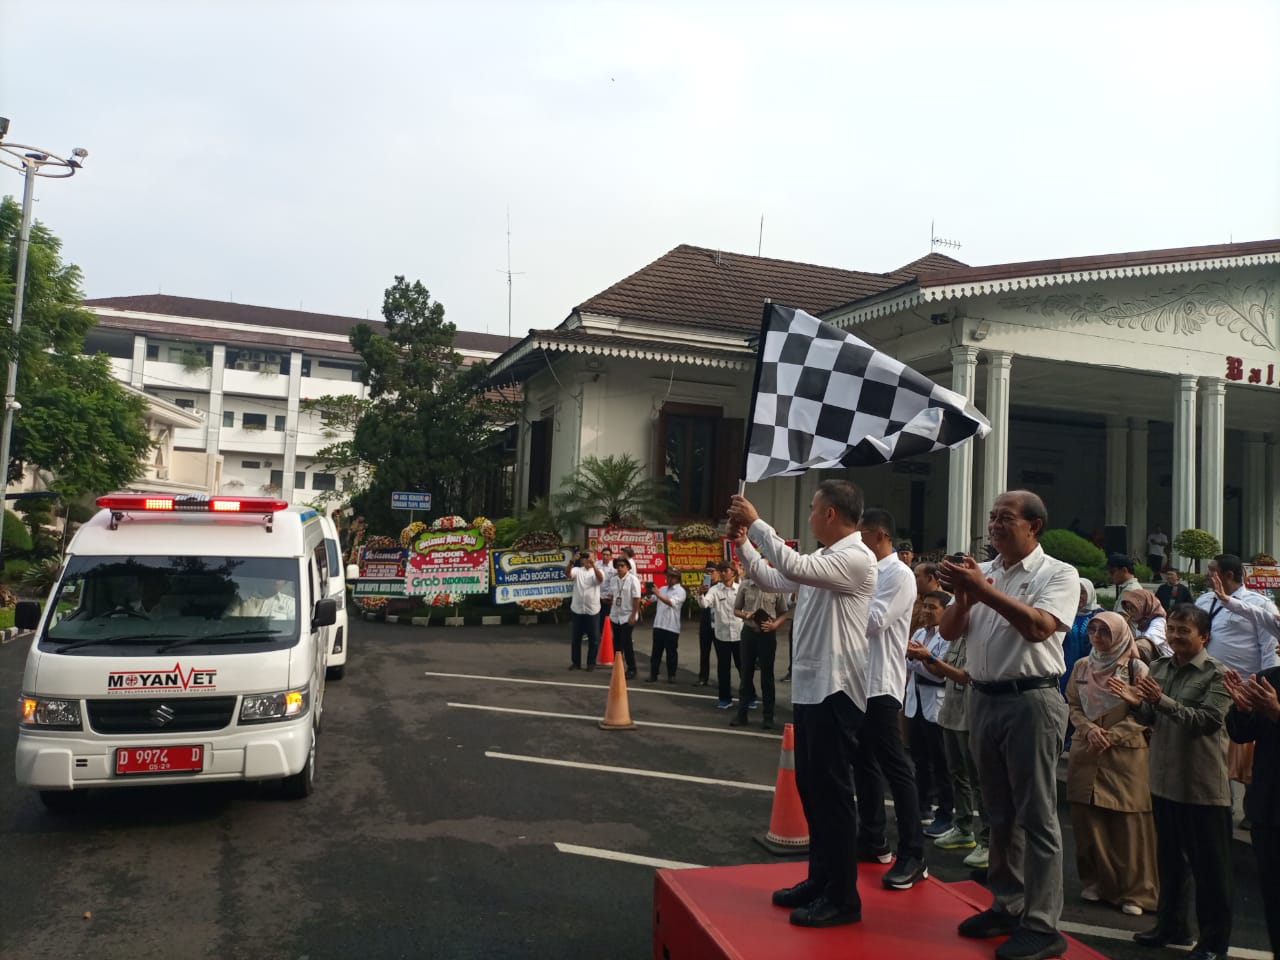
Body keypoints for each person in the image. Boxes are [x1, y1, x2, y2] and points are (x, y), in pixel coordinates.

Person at [728, 480, 877, 929]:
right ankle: (820, 879)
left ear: (831, 514)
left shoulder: (854, 557)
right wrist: (742, 546)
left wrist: (757, 524)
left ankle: (843, 897)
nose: (809, 516)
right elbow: (774, 576)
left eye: (813, 509)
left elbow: (789, 561)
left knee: (832, 797)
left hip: (837, 689)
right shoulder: (821, 561)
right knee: (813, 793)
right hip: (814, 687)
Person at [939, 490, 1078, 960]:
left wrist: (983, 591)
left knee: (1036, 816)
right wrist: (964, 594)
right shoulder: (989, 573)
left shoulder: (1058, 573)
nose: (995, 525)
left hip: (1031, 700)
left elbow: (1040, 627)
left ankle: (1042, 923)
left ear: (1033, 527)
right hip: (983, 698)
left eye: (1006, 518)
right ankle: (1006, 902)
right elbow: (949, 631)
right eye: (992, 518)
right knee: (997, 812)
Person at [1108, 604, 1232, 960]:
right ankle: (1171, 925)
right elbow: (1151, 716)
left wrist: (1157, 700)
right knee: (1170, 862)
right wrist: (1136, 704)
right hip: (1164, 780)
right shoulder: (1160, 667)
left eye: (1184, 631)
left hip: (1201, 786)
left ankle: (1213, 943)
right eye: (1173, 629)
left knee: (1211, 870)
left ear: (1204, 636)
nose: (1176, 636)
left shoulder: (1217, 674)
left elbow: (1206, 721)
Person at [852, 507, 928, 889]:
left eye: (861, 535)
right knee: (864, 766)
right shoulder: (869, 572)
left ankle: (913, 852)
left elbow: (872, 621)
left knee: (896, 767)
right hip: (858, 683)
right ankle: (873, 838)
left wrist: (842, 599)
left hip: (882, 684)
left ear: (879, 535)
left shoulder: (898, 575)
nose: (857, 542)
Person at [1064, 612, 1158, 917]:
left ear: (1119, 635)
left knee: (1127, 824)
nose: (1096, 637)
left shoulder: (1135, 668)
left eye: (1103, 632)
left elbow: (1145, 711)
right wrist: (1089, 729)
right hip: (1087, 748)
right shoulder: (1082, 665)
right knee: (1086, 818)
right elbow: (1074, 705)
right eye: (1092, 631)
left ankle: (1136, 891)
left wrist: (1112, 734)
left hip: (1124, 751)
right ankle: (1096, 882)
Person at [918, 594, 991, 868]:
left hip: (969, 712)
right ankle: (962, 827)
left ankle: (988, 839)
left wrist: (929, 659)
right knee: (956, 772)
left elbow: (965, 675)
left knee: (977, 779)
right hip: (950, 708)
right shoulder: (955, 638)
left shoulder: (976, 640)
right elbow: (942, 672)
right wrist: (925, 658)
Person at [1200, 554, 1280, 794]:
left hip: (1248, 687)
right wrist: (1227, 601)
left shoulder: (1260, 602)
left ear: (1227, 575)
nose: (1206, 575)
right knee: (1220, 745)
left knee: (1251, 754)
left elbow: (1268, 643)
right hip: (1212, 685)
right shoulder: (1204, 600)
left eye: (1211, 570)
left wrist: (1266, 688)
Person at [1224, 662, 1280, 958]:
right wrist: (1242, 709)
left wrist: (1276, 712)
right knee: (1273, 897)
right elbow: (1242, 734)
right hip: (1268, 806)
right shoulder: (1270, 678)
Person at [905, 591, 955, 849]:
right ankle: (922, 805)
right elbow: (909, 664)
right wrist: (918, 660)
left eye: (932, 607)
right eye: (924, 606)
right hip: (915, 702)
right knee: (919, 758)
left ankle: (946, 813)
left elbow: (940, 675)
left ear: (946, 611)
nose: (926, 611)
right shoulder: (918, 634)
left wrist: (919, 660)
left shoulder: (948, 638)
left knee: (942, 762)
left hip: (936, 704)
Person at [731, 572, 789, 729]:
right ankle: (742, 715)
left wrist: (774, 625)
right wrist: (746, 614)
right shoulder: (745, 585)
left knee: (767, 676)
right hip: (749, 633)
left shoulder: (776, 587)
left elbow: (783, 612)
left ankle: (768, 717)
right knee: (746, 674)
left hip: (767, 635)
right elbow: (736, 609)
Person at [698, 562, 741, 708]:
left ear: (733, 573)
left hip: (739, 634)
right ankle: (725, 698)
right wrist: (700, 593)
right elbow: (705, 604)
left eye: (725, 570)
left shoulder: (740, 589)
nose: (723, 573)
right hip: (722, 635)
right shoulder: (715, 590)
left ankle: (749, 696)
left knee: (743, 667)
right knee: (723, 669)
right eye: (721, 571)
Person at [564, 549, 603, 671]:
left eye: (590, 557)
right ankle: (576, 663)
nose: (587, 560)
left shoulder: (597, 571)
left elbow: (600, 579)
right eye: (585, 557)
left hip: (592, 610)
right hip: (578, 609)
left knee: (594, 639)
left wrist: (594, 565)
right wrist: (572, 561)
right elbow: (568, 574)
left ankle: (591, 663)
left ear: (595, 559)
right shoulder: (577, 570)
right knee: (576, 639)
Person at [646, 565, 686, 683]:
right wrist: (649, 592)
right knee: (656, 652)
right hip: (659, 624)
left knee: (671, 653)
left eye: (671, 576)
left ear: (676, 578)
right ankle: (653, 674)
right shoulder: (663, 588)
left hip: (671, 626)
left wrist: (658, 594)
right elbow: (652, 598)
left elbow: (671, 602)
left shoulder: (680, 591)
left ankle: (671, 675)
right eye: (667, 576)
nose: (668, 578)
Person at [609, 555, 642, 679]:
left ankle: (632, 668)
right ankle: (618, 666)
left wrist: (633, 615)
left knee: (626, 642)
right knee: (616, 643)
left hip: (627, 615)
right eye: (618, 566)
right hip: (615, 615)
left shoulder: (633, 580)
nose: (619, 568)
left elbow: (637, 598)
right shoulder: (614, 580)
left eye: (622, 566)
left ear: (627, 567)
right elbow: (613, 596)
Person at [1119, 589, 1169, 660]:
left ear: (1144, 606)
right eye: (1128, 609)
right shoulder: (1142, 623)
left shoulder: (1158, 621)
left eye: (1133, 608)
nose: (1130, 612)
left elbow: (1148, 640)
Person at [693, 560, 718, 687]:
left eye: (712, 571)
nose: (709, 574)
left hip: (718, 624)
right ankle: (703, 677)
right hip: (705, 623)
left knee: (721, 653)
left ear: (717, 573)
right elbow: (700, 605)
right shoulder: (704, 586)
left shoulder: (720, 586)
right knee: (704, 652)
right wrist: (700, 592)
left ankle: (722, 678)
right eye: (707, 571)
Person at [229, 578, 294, 620]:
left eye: (280, 579)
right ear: (265, 579)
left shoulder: (290, 604)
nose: (276, 582)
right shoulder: (241, 598)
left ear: (285, 583)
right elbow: (228, 623)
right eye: (274, 578)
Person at [596, 546, 616, 636]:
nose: (605, 557)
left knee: (606, 616)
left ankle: (605, 633)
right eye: (604, 555)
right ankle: (596, 633)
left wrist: (610, 595)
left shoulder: (614, 567)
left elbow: (614, 582)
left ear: (611, 556)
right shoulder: (597, 564)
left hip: (608, 595)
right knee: (596, 615)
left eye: (607, 555)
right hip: (597, 595)